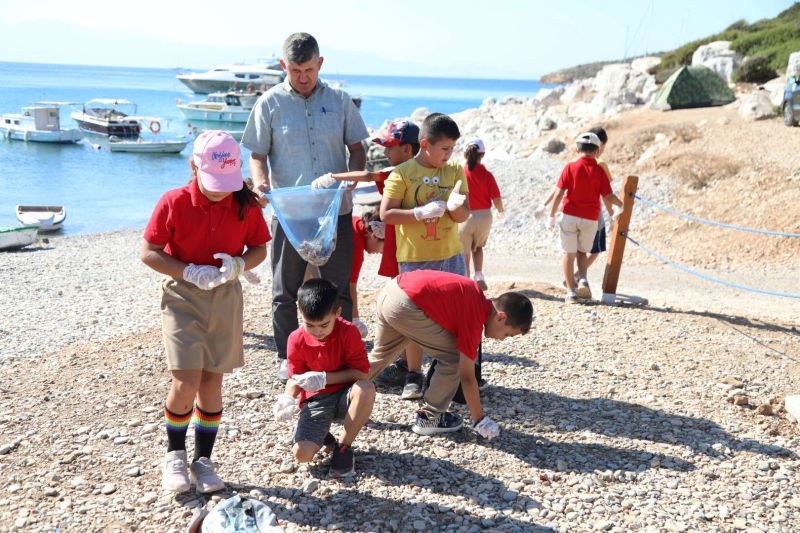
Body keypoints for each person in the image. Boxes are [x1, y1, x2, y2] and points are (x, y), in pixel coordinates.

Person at [140, 130, 270, 493]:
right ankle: (175, 456)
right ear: (195, 166)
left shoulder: (243, 204)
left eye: (226, 183)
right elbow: (149, 251)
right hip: (182, 297)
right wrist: (187, 271)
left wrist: (240, 265)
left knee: (212, 383)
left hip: (225, 297)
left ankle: (204, 461)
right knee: (185, 381)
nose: (220, 191)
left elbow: (259, 248)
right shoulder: (174, 201)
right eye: (214, 183)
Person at [242, 32, 369, 382]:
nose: (302, 77)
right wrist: (262, 182)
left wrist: (351, 179)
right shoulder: (268, 103)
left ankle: (343, 356)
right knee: (285, 290)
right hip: (291, 214)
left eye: (309, 70)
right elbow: (257, 156)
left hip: (335, 211)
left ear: (320, 64)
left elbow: (357, 149)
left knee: (339, 286)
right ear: (284, 65)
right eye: (296, 70)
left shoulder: (341, 100)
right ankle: (287, 356)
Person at [367, 270, 533, 437]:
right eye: (508, 334)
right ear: (501, 317)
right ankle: (429, 417)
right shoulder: (475, 314)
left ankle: (344, 394)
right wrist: (480, 420)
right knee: (453, 357)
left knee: (380, 356)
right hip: (407, 304)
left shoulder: (474, 296)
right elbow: (467, 377)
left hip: (391, 291)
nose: (503, 339)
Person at [379, 112, 471, 400]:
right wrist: (418, 213)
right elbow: (387, 214)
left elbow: (463, 214)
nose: (449, 155)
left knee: (456, 315)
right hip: (416, 258)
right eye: (444, 149)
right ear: (424, 144)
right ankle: (413, 374)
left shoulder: (455, 170)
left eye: (452, 149)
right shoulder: (402, 173)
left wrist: (456, 207)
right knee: (413, 318)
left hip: (450, 255)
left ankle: (452, 373)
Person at [329, 120, 420, 386]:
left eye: (390, 147)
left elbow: (368, 176)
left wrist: (333, 178)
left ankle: (414, 373)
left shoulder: (401, 171)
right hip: (405, 250)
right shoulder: (416, 171)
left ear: (406, 148)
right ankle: (405, 365)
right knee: (401, 311)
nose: (385, 153)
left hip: (409, 252)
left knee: (407, 311)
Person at [272, 279, 375, 478]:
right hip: (316, 400)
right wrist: (288, 399)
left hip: (347, 395)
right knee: (302, 455)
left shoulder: (349, 332)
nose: (317, 331)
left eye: (324, 325)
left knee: (366, 388)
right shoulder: (296, 338)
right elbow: (295, 379)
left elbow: (363, 373)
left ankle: (344, 448)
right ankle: (323, 435)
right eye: (310, 325)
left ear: (337, 312)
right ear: (300, 312)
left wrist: (324, 378)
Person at [548, 132, 622, 304]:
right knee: (582, 252)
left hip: (569, 216)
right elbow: (608, 196)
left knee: (569, 253)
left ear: (576, 149)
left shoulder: (570, 167)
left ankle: (571, 293)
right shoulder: (599, 170)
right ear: (597, 151)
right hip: (590, 219)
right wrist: (621, 205)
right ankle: (582, 279)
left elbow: (559, 193)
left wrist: (551, 215)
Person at [536, 127, 613, 283]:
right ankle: (578, 276)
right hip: (592, 213)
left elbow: (558, 190)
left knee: (570, 252)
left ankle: (572, 282)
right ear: (600, 145)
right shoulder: (600, 164)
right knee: (594, 249)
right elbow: (607, 194)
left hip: (570, 212)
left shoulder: (572, 163)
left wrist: (545, 206)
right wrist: (612, 213)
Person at [458, 138, 505, 291]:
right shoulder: (487, 174)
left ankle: (465, 281)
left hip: (465, 216)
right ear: (482, 155)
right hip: (485, 217)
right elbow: (496, 198)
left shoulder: (460, 173)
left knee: (464, 253)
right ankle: (479, 275)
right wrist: (501, 211)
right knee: (477, 248)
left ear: (465, 154)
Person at [349, 209, 385, 337]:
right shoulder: (355, 243)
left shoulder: (355, 222)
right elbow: (350, 285)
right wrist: (355, 321)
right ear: (374, 236)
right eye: (384, 247)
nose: (382, 253)